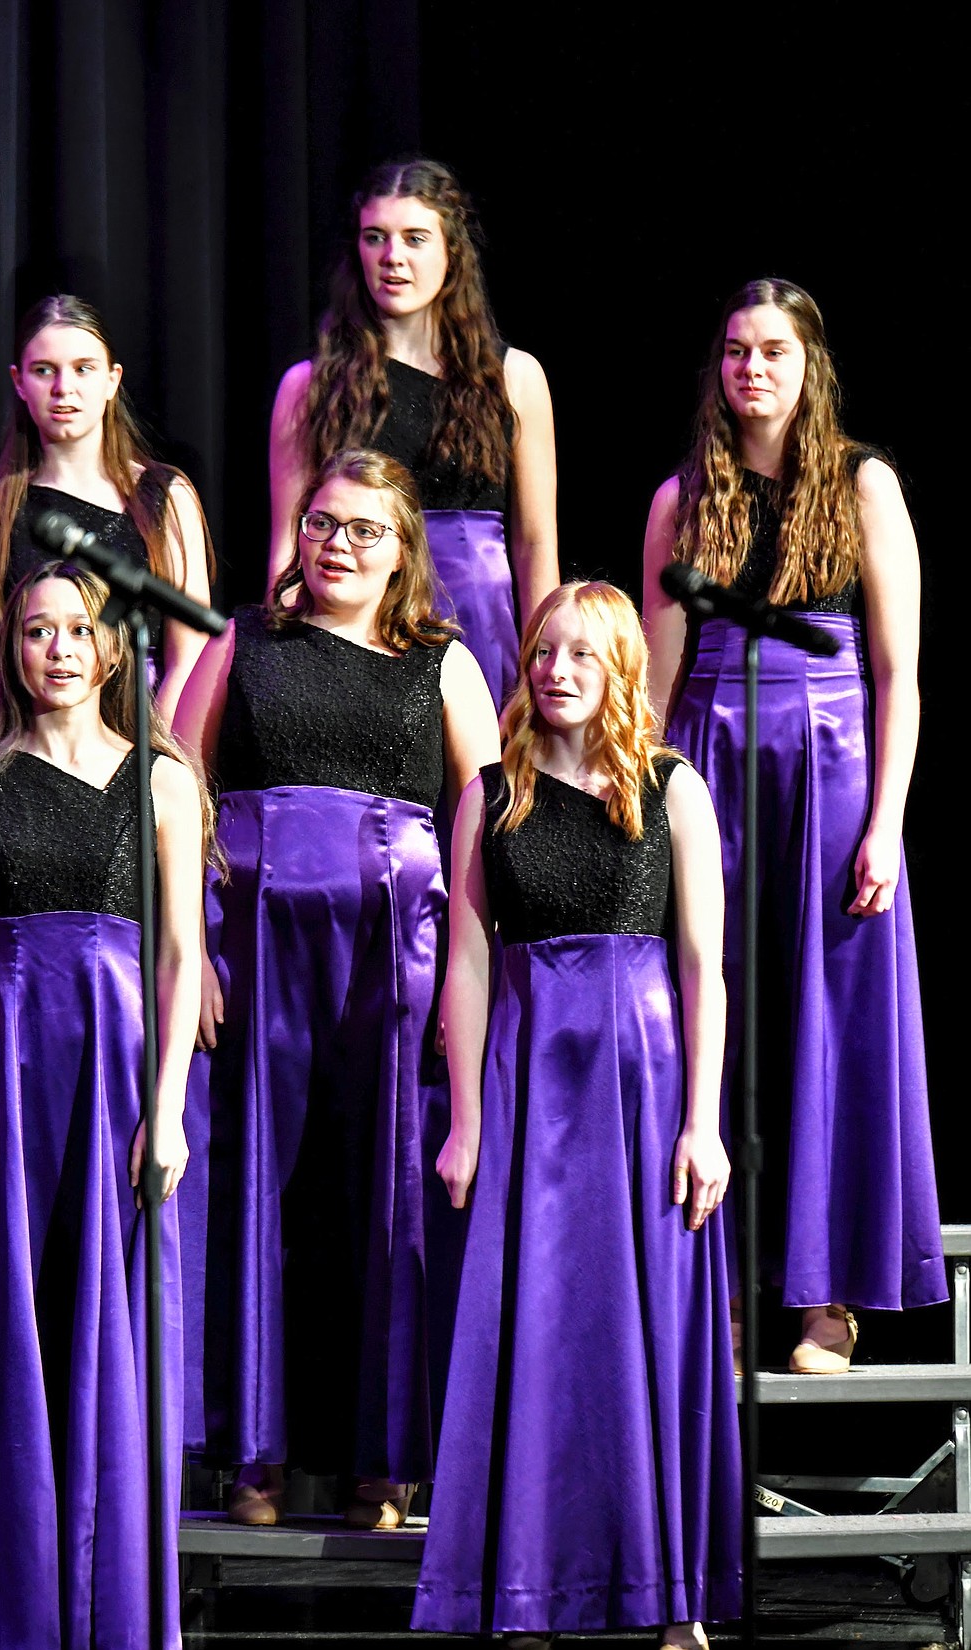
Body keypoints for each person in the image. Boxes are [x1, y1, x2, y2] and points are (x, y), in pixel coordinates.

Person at [174, 447, 499, 1527]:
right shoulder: (244, 642)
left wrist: (465, 990)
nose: (336, 545)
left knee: (385, 1189)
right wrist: (189, 953)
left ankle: (382, 1461)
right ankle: (253, 1458)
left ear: (403, 549)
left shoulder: (441, 662)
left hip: (392, 961)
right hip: (255, 948)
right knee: (260, 1187)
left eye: (363, 529)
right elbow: (173, 793)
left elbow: (486, 825)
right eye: (320, 524)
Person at [412, 582, 741, 1646]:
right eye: (542, 652)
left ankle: (668, 1599)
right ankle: (523, 1591)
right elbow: (464, 966)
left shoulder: (669, 787)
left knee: (646, 1327)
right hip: (526, 1082)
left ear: (620, 673)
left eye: (580, 657)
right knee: (534, 1332)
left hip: (640, 1089)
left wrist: (703, 1121)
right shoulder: (486, 795)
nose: (554, 671)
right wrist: (463, 1119)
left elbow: (702, 969)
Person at [642, 277, 946, 1373]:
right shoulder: (683, 497)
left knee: (824, 1021)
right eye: (733, 351)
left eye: (771, 351)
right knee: (712, 1022)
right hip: (712, 762)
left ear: (807, 364)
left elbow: (897, 673)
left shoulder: (861, 484)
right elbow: (653, 682)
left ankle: (825, 1302)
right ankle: (717, 1292)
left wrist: (884, 823)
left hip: (829, 768)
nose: (750, 369)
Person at [0, 562, 206, 1650]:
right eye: (38, 631)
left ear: (114, 646)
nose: (59, 649)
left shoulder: (161, 784)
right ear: (14, 647)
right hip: (6, 1076)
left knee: (111, 1332)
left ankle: (109, 1601)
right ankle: (1, 1604)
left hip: (118, 1082)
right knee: (8, 1331)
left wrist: (168, 1104)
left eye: (79, 630)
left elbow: (181, 957)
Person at [266, 156, 558, 713]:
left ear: (451, 250)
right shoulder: (309, 386)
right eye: (375, 237)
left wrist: (543, 659)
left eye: (414, 238)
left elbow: (536, 543)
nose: (392, 257)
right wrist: (285, 663)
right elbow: (287, 542)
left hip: (478, 627)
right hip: (356, 622)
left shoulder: (514, 377)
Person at [0, 292, 214, 739]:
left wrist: (159, 764)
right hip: (30, 749)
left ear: (112, 380)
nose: (63, 389)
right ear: (18, 382)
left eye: (83, 369)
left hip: (142, 745)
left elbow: (190, 655)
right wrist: (11, 768)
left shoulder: (164, 496)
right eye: (44, 370)